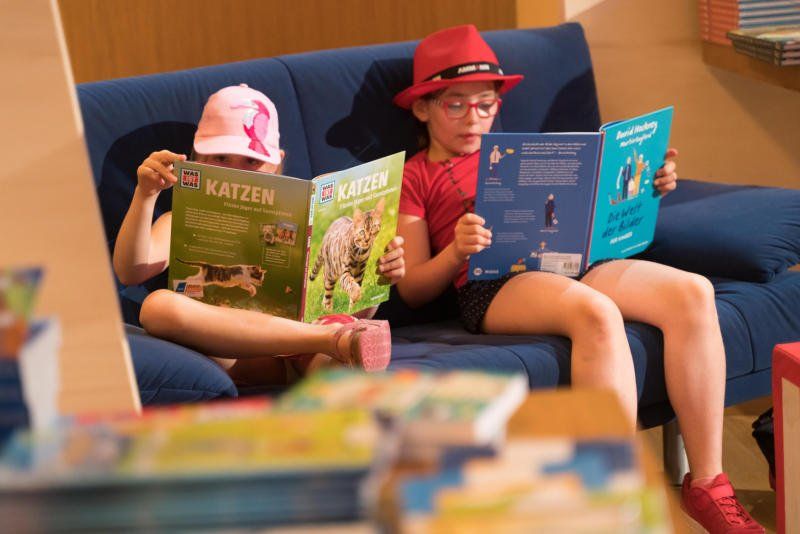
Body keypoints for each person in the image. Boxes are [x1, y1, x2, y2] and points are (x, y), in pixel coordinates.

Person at [393, 25, 763, 534]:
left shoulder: (527, 153)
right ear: (422, 108)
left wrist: (645, 188)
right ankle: (618, 498)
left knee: (693, 292)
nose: (473, 118)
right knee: (596, 313)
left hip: (576, 261)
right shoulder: (416, 176)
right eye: (455, 105)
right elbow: (412, 288)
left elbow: (593, 216)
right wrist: (456, 248)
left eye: (485, 104)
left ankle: (707, 484)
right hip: (494, 284)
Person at [113, 84, 406, 385]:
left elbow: (357, 311)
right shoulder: (179, 219)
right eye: (221, 158)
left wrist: (378, 277)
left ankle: (337, 352)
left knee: (346, 350)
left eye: (252, 161)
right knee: (157, 307)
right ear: (196, 159)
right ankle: (332, 341)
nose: (236, 172)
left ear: (276, 162)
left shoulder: (303, 221)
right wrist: (145, 194)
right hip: (232, 352)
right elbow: (129, 271)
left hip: (306, 349)